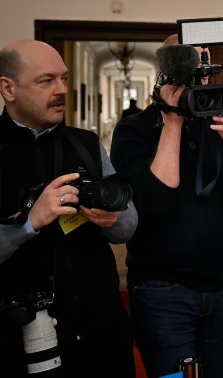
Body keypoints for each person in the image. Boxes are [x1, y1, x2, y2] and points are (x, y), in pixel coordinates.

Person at [110, 34, 223, 378]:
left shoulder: (215, 123)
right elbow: (155, 203)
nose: (197, 78)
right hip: (161, 290)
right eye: (187, 66)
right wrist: (172, 121)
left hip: (218, 287)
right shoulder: (133, 130)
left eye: (203, 67)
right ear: (165, 72)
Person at [0, 40, 138, 377]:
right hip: (15, 330)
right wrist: (30, 224)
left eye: (64, 78)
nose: (61, 90)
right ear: (8, 89)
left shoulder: (86, 143)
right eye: (46, 81)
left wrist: (111, 218)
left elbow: (128, 227)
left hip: (97, 329)